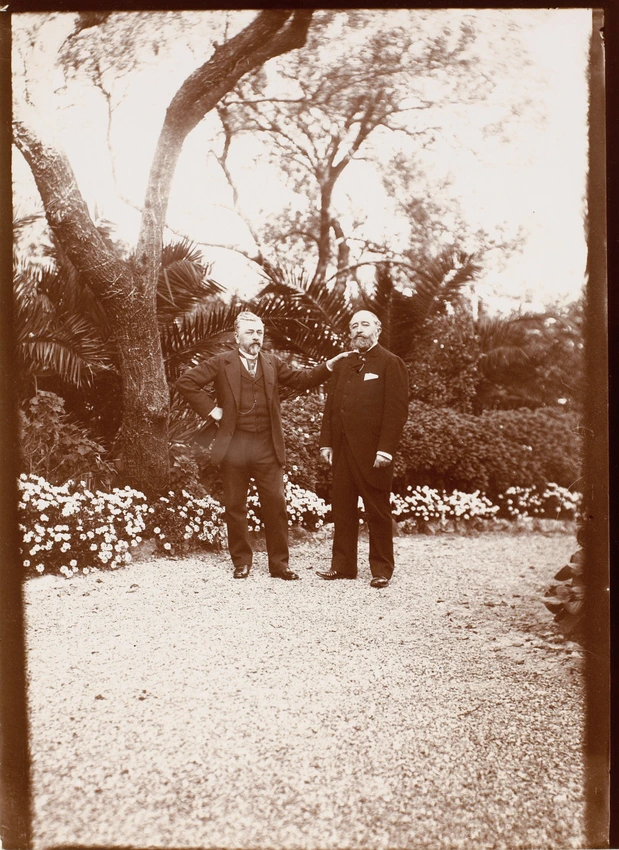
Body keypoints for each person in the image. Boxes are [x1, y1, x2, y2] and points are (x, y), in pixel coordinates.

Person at [176, 311, 350, 581]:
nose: (256, 337)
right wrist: (213, 412)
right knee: (235, 505)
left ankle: (279, 565)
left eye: (259, 332)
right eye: (250, 332)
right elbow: (186, 382)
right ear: (237, 336)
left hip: (267, 446)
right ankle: (241, 562)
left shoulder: (271, 362)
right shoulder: (222, 362)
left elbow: (302, 379)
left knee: (276, 504)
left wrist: (328, 366)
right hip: (234, 445)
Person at [317, 310, 409, 588]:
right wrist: (326, 442)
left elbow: (396, 411)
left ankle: (382, 569)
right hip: (343, 449)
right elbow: (332, 406)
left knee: (377, 511)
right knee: (342, 509)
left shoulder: (391, 363)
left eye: (365, 324)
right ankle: (343, 566)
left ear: (378, 330)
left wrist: (386, 450)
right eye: (354, 325)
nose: (359, 330)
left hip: (373, 453)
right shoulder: (345, 364)